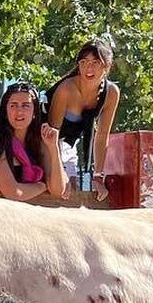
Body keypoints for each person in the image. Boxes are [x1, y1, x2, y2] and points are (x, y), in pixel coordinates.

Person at [46, 39, 120, 197]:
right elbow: (52, 135)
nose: (89, 68)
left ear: (106, 67)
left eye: (95, 62)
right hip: (45, 141)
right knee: (60, 188)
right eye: (84, 62)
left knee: (79, 187)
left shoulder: (111, 92)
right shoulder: (66, 89)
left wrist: (99, 176)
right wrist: (61, 173)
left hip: (69, 145)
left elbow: (101, 136)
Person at [0, 82, 67, 201]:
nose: (19, 111)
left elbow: (58, 190)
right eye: (13, 105)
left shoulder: (42, 142)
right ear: (5, 112)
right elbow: (14, 193)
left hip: (31, 216)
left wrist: (53, 148)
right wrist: (42, 185)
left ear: (34, 112)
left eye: (25, 105)